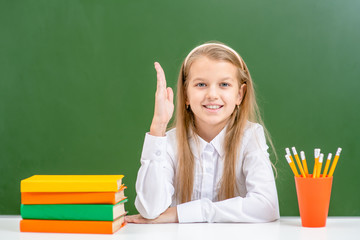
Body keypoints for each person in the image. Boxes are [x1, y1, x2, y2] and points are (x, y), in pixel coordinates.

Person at [125, 41, 280, 223]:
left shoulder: (251, 136)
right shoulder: (169, 142)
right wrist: (158, 127)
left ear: (240, 94)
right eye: (201, 85)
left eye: (224, 84)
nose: (212, 94)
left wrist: (179, 214)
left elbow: (266, 207)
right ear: (186, 95)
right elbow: (150, 209)